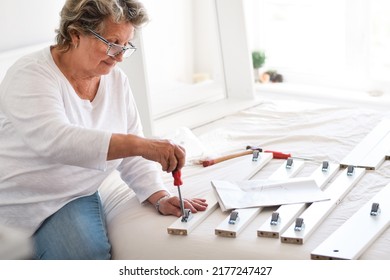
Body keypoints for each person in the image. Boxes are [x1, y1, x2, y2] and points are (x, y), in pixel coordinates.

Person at [0, 0, 207, 260]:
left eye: (125, 45)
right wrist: (143, 145)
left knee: (84, 255)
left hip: (71, 199)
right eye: (111, 43)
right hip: (12, 208)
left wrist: (158, 195)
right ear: (75, 34)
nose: (120, 55)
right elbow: (55, 141)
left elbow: (131, 151)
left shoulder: (116, 80)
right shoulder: (30, 75)